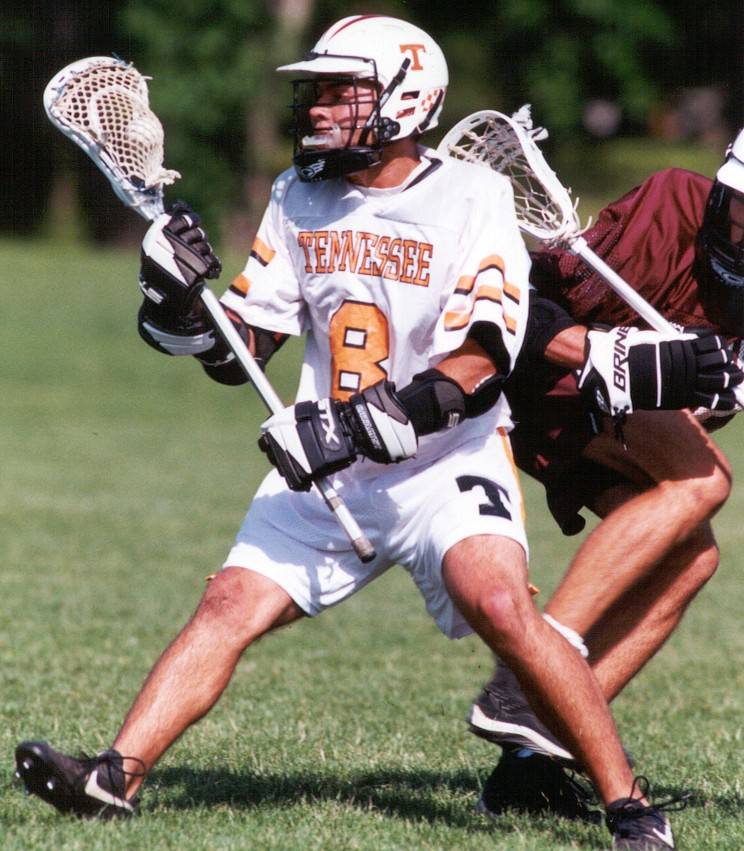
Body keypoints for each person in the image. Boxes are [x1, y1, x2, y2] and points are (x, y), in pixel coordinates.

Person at [14, 15, 681, 848]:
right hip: (330, 465)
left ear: (406, 98)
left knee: (501, 602)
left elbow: (482, 361)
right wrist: (175, 302)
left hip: (446, 459)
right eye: (316, 92)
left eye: (341, 91)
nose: (320, 108)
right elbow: (240, 354)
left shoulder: (472, 197)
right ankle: (114, 778)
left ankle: (629, 804)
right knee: (228, 601)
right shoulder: (299, 195)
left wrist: (353, 430)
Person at [467, 133, 744, 821]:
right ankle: (530, 673)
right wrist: (614, 355)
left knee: (693, 556)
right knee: (706, 481)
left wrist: (711, 396)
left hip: (619, 421)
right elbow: (525, 311)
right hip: (542, 387)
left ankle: (534, 759)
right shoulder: (673, 204)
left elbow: (698, 412)